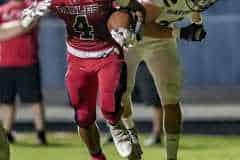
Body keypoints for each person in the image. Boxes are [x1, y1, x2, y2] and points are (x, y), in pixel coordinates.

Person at [23, 0, 145, 159]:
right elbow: (25, 21)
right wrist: (32, 15)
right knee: (83, 117)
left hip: (108, 54)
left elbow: (138, 8)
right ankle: (96, 156)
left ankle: (116, 125)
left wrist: (136, 30)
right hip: (77, 59)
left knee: (110, 106)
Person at [120, 0, 219, 160]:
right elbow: (143, 26)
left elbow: (192, 8)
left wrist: (197, 23)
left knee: (171, 99)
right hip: (130, 39)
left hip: (162, 41)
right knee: (121, 96)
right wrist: (181, 33)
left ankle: (172, 157)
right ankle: (132, 138)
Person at [0, 0, 47, 145]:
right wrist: (20, 26)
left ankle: (40, 133)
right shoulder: (2, 10)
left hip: (27, 61)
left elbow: (31, 24)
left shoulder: (31, 7)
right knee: (6, 100)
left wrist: (9, 30)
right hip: (4, 62)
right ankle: (6, 133)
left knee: (34, 100)